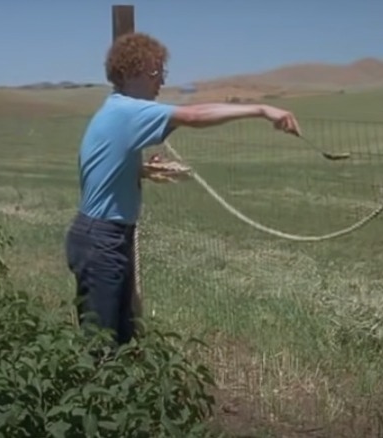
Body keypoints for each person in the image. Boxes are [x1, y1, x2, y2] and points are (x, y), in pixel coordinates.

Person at [64, 32, 302, 347]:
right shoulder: (127, 111)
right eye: (154, 71)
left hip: (103, 236)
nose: (160, 80)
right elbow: (194, 116)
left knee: (118, 339)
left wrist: (141, 169)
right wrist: (261, 110)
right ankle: (89, 395)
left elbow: (102, 164)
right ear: (128, 73)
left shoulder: (116, 110)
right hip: (101, 239)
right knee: (100, 344)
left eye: (162, 71)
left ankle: (112, 394)